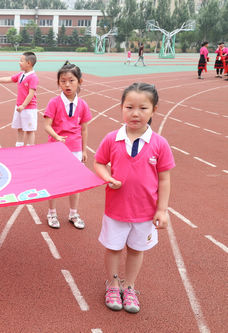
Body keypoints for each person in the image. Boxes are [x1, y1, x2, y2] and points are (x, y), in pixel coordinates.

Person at [93, 82, 175, 314]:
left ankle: (129, 287)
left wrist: (162, 210)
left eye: (143, 108)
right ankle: (113, 284)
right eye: (129, 107)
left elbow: (165, 179)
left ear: (154, 110)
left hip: (145, 213)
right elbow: (99, 162)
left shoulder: (160, 144)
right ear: (121, 108)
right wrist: (107, 177)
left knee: (136, 250)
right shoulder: (112, 139)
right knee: (113, 249)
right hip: (116, 210)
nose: (135, 113)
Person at [43, 61, 91, 229]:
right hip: (55, 148)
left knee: (75, 183)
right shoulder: (54, 103)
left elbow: (84, 129)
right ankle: (52, 213)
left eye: (71, 80)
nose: (67, 85)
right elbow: (47, 125)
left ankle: (73, 213)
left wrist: (84, 149)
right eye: (63, 81)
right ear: (58, 83)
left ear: (80, 82)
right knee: (54, 181)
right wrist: (57, 136)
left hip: (75, 148)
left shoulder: (83, 104)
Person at [0, 52, 39, 146]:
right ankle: (19, 147)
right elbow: (9, 79)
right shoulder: (21, 75)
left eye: (21, 61)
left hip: (28, 109)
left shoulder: (33, 77)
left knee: (29, 130)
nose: (19, 62)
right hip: (19, 107)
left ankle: (30, 149)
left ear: (29, 63)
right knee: (20, 128)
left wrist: (23, 105)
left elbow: (31, 94)